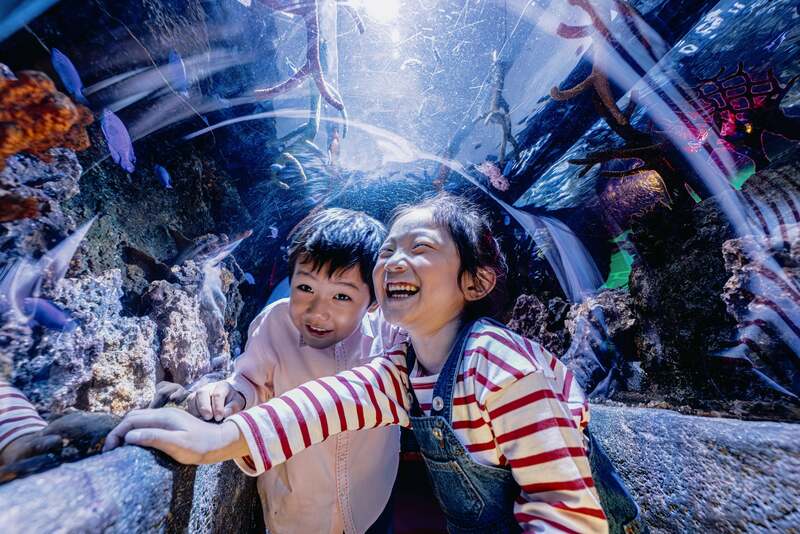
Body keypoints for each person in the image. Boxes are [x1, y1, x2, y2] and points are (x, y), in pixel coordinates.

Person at [106, 193, 609, 532]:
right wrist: (217, 439)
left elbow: (569, 513)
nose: (392, 259)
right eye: (388, 250)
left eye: (420, 247)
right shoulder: (406, 366)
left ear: (474, 283)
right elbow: (328, 404)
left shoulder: (503, 367)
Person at [187, 208, 404, 534]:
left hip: (370, 502)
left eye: (342, 296)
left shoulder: (388, 334)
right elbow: (250, 381)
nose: (318, 311)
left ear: (373, 301)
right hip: (297, 512)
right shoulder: (275, 324)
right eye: (305, 288)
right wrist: (231, 394)